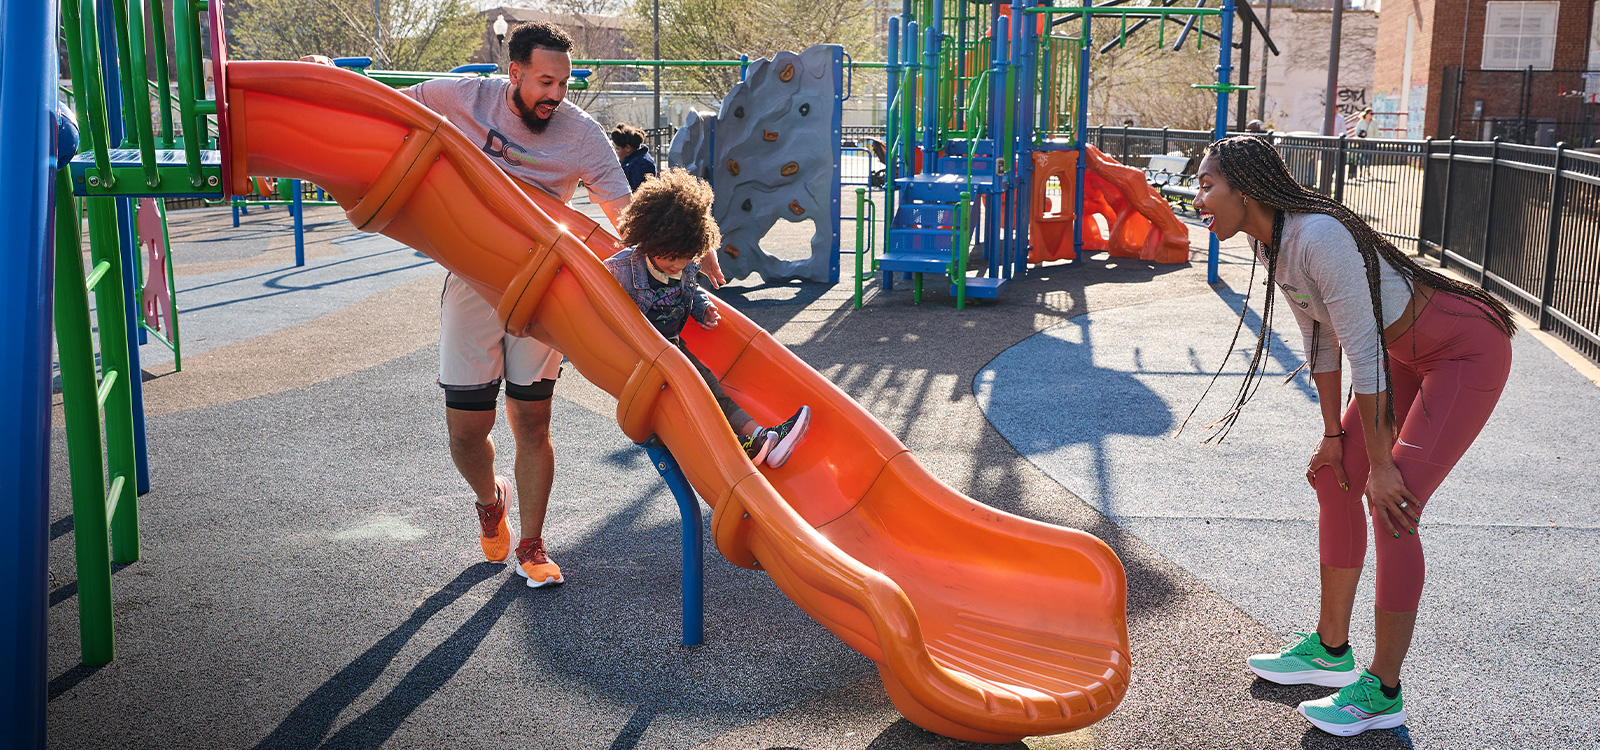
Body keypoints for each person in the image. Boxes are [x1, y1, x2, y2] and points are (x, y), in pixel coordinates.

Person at [307, 22, 724, 590]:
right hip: (473, 279)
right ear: (515, 72)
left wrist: (687, 247)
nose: (555, 94)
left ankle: (531, 543)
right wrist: (330, 81)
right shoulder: (462, 97)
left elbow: (628, 216)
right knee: (465, 431)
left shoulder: (581, 134)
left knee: (532, 419)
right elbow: (386, 111)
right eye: (545, 81)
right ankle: (489, 498)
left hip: (547, 287)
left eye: (564, 83)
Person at [1187, 135, 1515, 736]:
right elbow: (1320, 340)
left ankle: (1384, 691)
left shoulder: (1319, 236)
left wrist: (1383, 463)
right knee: (1332, 477)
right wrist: (1332, 439)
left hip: (1462, 351)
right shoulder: (1276, 244)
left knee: (1392, 503)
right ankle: (1330, 650)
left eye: (1207, 184)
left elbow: (1363, 350)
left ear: (1246, 189)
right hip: (1404, 358)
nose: (1197, 196)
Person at [603, 168, 811, 468]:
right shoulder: (622, 270)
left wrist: (701, 308)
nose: (677, 266)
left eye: (685, 259)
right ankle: (737, 447)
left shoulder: (683, 262)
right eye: (671, 258)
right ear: (648, 240)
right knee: (693, 401)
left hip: (675, 346)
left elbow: (690, 288)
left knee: (713, 388)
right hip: (645, 358)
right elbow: (598, 297)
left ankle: (763, 436)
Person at [610, 123, 657, 191]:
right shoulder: (635, 160)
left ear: (627, 148)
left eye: (617, 149)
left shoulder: (641, 164)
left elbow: (639, 193)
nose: (616, 152)